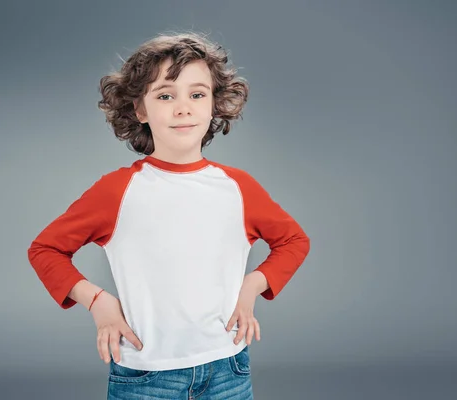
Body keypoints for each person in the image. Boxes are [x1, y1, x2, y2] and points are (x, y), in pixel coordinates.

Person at [27, 31, 310, 399]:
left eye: (197, 94)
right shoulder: (116, 191)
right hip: (146, 377)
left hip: (229, 370)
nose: (183, 108)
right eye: (165, 95)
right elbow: (45, 249)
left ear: (214, 104)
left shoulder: (239, 187)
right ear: (140, 110)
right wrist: (100, 302)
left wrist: (252, 285)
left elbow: (293, 241)